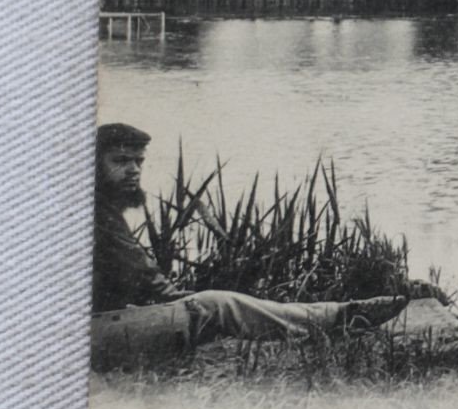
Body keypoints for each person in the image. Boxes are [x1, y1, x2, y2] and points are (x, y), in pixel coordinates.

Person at [93, 123, 408, 347]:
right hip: (95, 336)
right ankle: (339, 318)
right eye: (121, 161)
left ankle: (335, 316)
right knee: (214, 305)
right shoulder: (99, 214)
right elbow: (148, 280)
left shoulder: (96, 207)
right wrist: (188, 308)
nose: (134, 170)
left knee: (210, 304)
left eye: (139, 162)